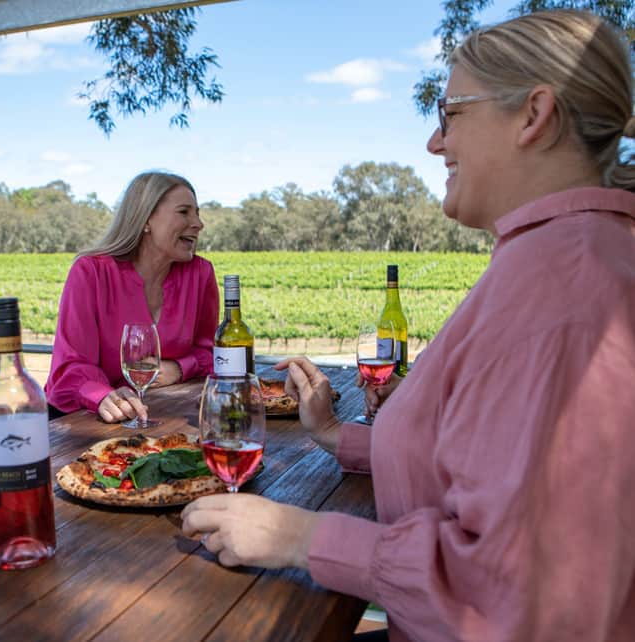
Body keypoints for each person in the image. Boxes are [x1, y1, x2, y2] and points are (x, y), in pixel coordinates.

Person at [182, 10, 635, 641]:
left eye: (450, 114)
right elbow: (487, 466)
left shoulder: (570, 291)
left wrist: (299, 536)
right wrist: (338, 436)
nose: (434, 142)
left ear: (534, 116)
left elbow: (521, 597)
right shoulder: (554, 256)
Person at [46, 171, 218, 422]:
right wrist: (103, 396)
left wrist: (180, 368)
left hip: (160, 418)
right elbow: (70, 366)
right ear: (146, 219)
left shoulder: (200, 274)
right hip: (80, 420)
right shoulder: (91, 272)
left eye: (197, 213)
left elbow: (214, 353)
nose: (198, 223)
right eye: (184, 212)